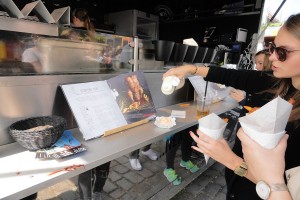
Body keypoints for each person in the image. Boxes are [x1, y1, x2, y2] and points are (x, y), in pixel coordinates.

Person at [163, 13, 300, 199]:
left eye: (282, 52)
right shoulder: (276, 81)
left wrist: (232, 161)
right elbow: (231, 76)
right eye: (272, 47)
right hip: (236, 185)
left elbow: (285, 190)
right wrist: (190, 69)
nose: (273, 56)